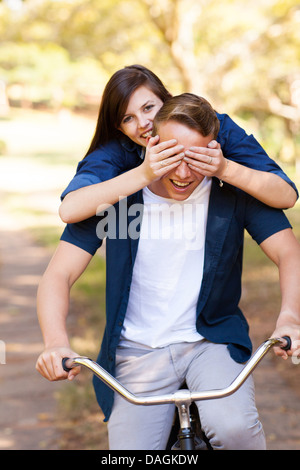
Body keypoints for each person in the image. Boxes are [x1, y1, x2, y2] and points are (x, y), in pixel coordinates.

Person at [36, 93, 300, 450]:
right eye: (172, 156)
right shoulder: (119, 197)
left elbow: (289, 253)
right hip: (137, 352)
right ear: (152, 142)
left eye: (195, 159)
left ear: (214, 150)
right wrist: (55, 343)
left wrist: (289, 318)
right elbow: (58, 276)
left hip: (211, 343)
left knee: (236, 429)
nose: (182, 172)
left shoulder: (232, 193)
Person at [58, 65, 297, 225]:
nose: (143, 123)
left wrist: (224, 169)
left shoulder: (215, 126)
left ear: (166, 99)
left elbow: (286, 196)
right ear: (119, 128)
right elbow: (69, 211)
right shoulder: (119, 149)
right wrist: (144, 173)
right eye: (127, 118)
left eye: (148, 107)